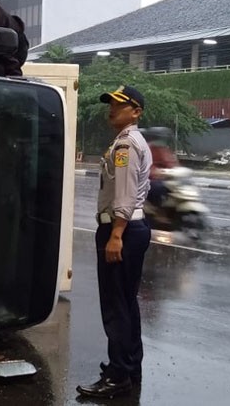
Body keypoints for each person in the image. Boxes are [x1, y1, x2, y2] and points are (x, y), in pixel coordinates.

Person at [76, 85, 152, 399]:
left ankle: (119, 376)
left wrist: (116, 235)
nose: (112, 109)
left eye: (119, 105)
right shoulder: (129, 142)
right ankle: (130, 367)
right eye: (111, 104)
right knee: (126, 303)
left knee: (116, 307)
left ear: (136, 111)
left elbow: (124, 193)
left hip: (121, 230)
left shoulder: (126, 146)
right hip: (131, 229)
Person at [143, 127, 178, 210]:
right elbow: (146, 165)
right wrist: (156, 172)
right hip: (149, 179)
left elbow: (172, 163)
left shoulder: (165, 149)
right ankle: (157, 211)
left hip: (164, 177)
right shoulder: (146, 149)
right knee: (158, 187)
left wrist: (178, 171)